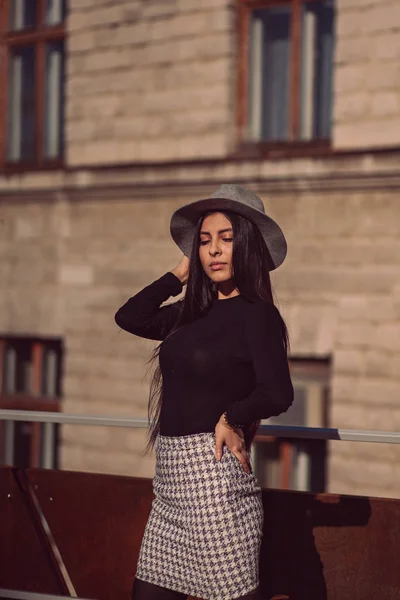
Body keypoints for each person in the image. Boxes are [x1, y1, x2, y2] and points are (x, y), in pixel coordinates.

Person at [114, 184, 294, 600]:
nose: (213, 251)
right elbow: (129, 316)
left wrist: (232, 416)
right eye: (205, 241)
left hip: (215, 486)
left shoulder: (258, 315)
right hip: (170, 486)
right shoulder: (188, 313)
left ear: (247, 247)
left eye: (227, 240)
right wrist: (179, 274)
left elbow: (278, 392)